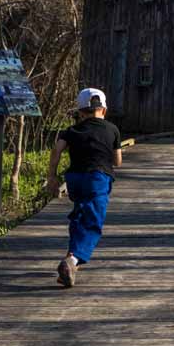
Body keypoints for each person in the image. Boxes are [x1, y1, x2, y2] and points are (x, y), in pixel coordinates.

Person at [46, 88, 122, 287]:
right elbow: (117, 161)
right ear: (103, 110)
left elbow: (56, 150)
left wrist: (52, 176)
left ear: (80, 112)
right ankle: (73, 260)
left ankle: (71, 258)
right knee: (93, 220)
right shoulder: (112, 129)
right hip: (97, 176)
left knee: (79, 214)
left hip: (74, 178)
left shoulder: (71, 131)